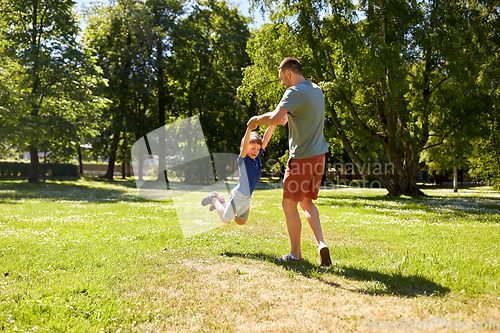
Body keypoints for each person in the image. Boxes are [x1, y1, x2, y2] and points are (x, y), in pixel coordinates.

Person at [247, 57, 332, 266]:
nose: (282, 83)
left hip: (301, 158)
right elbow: (298, 116)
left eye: (281, 78)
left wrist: (256, 120)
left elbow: (275, 118)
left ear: (288, 73)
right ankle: (321, 244)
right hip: (319, 155)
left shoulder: (294, 92)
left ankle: (295, 254)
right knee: (306, 201)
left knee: (288, 204)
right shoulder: (316, 89)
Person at [201, 121, 282, 225]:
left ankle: (222, 203)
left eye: (258, 149)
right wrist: (249, 130)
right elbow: (245, 146)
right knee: (226, 219)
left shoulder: (257, 157)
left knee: (240, 221)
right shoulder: (243, 160)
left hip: (247, 197)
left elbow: (266, 139)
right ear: (245, 147)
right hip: (238, 195)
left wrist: (273, 124)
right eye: (253, 148)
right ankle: (213, 198)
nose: (256, 151)